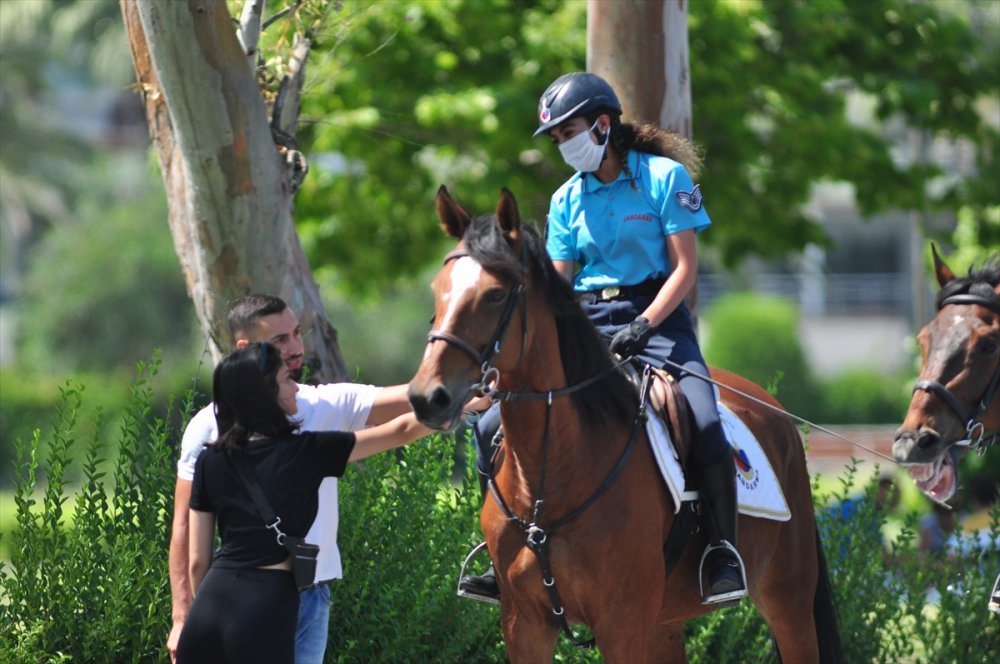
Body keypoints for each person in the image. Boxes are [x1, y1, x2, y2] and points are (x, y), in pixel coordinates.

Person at [460, 71, 745, 606]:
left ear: (603, 125)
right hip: (587, 322)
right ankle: (496, 550)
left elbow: (685, 271)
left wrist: (644, 325)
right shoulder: (565, 198)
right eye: (557, 137)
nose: (563, 145)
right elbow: (561, 285)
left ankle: (721, 551)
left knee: (704, 420)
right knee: (491, 425)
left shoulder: (667, 177)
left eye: (569, 132)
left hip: (656, 316)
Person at [167, 294, 412, 663]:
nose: (295, 348)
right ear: (248, 353)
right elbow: (403, 428)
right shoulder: (302, 450)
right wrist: (179, 614)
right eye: (280, 341)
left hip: (228, 595)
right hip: (271, 597)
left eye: (297, 333)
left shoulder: (213, 457)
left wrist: (198, 613)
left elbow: (199, 560)